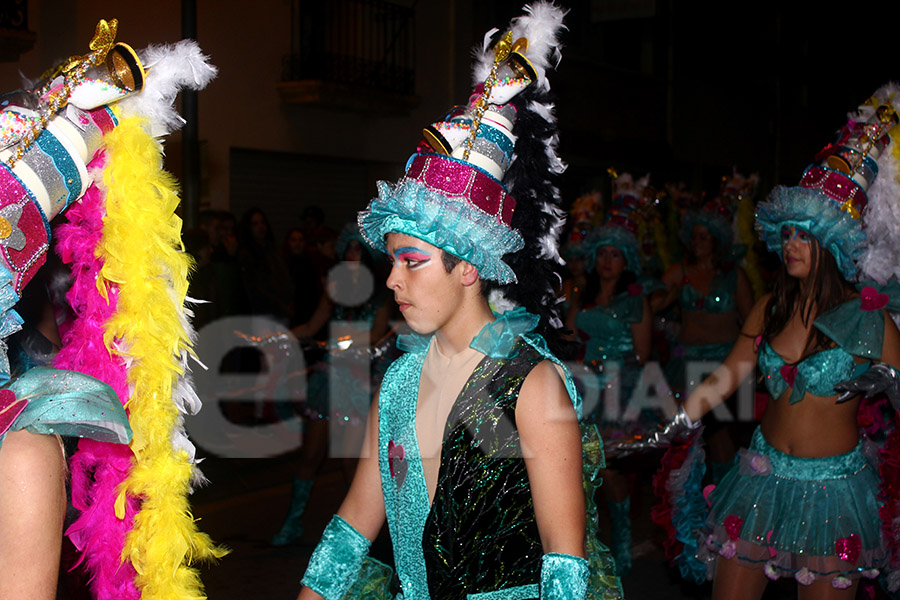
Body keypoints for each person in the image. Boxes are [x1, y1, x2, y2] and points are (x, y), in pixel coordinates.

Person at [297, 4, 622, 599]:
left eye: (412, 261)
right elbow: (352, 526)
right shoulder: (397, 382)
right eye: (392, 261)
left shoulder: (532, 384)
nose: (392, 281)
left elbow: (565, 566)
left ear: (468, 265)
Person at [641, 86, 900, 599]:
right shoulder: (770, 307)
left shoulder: (871, 320)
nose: (791, 245)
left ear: (832, 243)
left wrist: (891, 379)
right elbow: (727, 378)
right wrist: (672, 421)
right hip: (761, 477)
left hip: (835, 492)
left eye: (804, 235)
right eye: (786, 235)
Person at [270, 224, 393, 547]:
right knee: (310, 454)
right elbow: (311, 326)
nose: (351, 254)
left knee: (350, 461)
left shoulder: (382, 295)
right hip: (328, 382)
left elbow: (375, 335)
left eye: (358, 250)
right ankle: (292, 523)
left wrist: (340, 343)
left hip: (359, 383)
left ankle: (359, 540)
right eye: (348, 249)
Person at [565, 184, 666, 577]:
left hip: (619, 389)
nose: (608, 261)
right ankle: (585, 543)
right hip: (582, 386)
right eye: (602, 253)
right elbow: (570, 337)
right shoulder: (582, 294)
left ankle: (622, 539)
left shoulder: (635, 300)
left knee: (609, 472)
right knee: (580, 471)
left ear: (626, 260)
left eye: (615, 254)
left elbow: (642, 354)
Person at [656, 189, 754, 483]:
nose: (698, 243)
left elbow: (753, 322)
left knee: (721, 438)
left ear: (717, 240)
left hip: (725, 366)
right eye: (694, 236)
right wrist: (665, 299)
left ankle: (723, 503)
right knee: (685, 440)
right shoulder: (679, 272)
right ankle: (687, 509)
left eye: (704, 237)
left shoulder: (734, 276)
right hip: (686, 365)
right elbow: (648, 306)